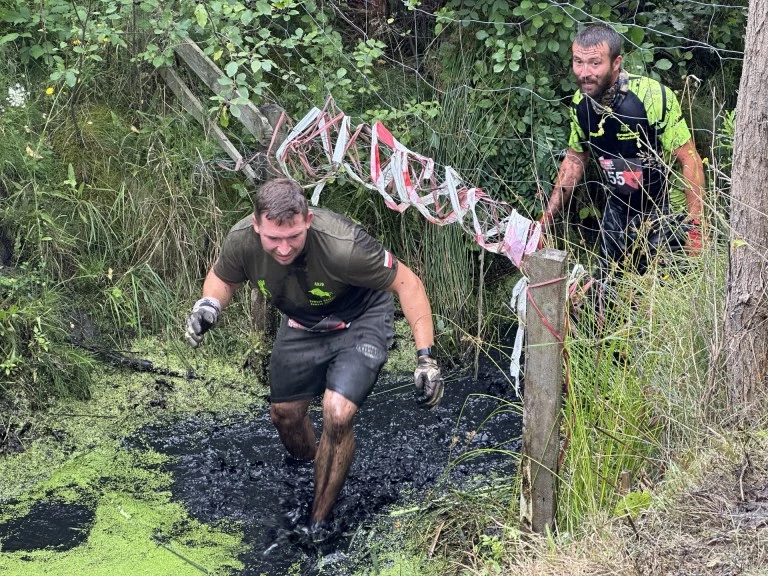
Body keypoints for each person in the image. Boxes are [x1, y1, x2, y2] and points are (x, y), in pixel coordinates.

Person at [184, 177, 444, 535]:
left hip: (360, 320)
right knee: (285, 416)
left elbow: (407, 283)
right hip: (302, 323)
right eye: (273, 238)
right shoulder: (242, 239)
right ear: (256, 224)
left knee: (337, 414)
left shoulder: (342, 245)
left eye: (293, 236)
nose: (284, 248)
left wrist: (426, 358)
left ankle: (317, 524)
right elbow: (222, 277)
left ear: (307, 220)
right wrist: (209, 305)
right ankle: (311, 471)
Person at [541, 24, 706, 275]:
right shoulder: (580, 103)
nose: (585, 73)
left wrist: (696, 227)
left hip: (662, 211)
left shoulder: (652, 97)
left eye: (595, 63)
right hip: (618, 206)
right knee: (606, 289)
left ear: (616, 62)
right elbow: (575, 158)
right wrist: (546, 220)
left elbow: (689, 159)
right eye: (578, 62)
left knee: (656, 293)